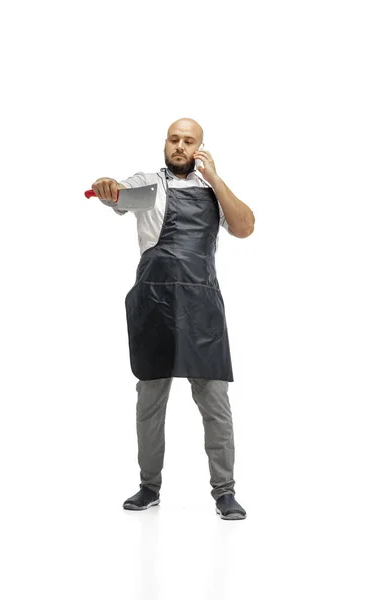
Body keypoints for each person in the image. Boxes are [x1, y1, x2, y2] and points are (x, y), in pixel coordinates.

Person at [90, 118, 255, 520]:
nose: (179, 146)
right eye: (173, 139)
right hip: (154, 305)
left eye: (188, 141)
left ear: (200, 147)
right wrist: (106, 186)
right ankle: (149, 487)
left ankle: (225, 491)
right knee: (149, 402)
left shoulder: (213, 192)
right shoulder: (148, 185)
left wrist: (214, 177)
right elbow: (117, 193)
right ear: (165, 144)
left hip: (202, 310)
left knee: (215, 403)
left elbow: (245, 227)